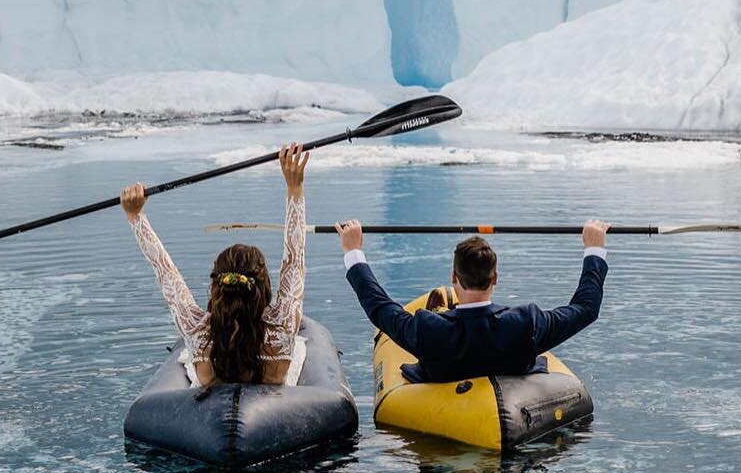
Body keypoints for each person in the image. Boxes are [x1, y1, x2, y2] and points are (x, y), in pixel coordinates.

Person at [121, 143, 310, 387]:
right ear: (262, 286)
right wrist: (295, 187)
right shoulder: (283, 325)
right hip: (270, 408)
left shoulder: (197, 330)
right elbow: (294, 258)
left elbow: (165, 271)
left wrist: (135, 216)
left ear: (217, 285)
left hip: (208, 414)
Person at [336, 218, 611, 382]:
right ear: (495, 279)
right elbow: (585, 308)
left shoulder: (429, 329)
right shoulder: (526, 324)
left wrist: (353, 251)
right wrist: (594, 248)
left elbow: (379, 307)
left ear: (453, 278)